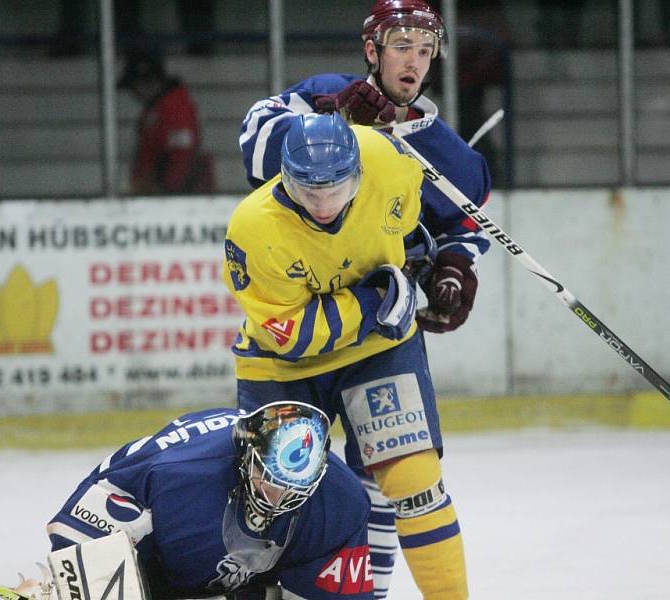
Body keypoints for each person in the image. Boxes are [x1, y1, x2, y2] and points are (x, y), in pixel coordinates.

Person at [235, 2, 491, 595]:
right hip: (303, 326)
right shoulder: (322, 95)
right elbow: (252, 146)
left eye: (426, 51)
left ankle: (370, 590)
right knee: (277, 494)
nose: (415, 61)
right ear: (373, 50)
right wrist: (334, 119)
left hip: (380, 332)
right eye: (402, 46)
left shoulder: (443, 149)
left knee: (403, 477)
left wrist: (452, 271)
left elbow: (461, 228)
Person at [40, 401, 374, 600]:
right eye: (265, 477)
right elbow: (79, 541)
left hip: (242, 583)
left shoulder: (342, 503)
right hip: (146, 558)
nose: (275, 497)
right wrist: (68, 585)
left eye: (290, 489)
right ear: (245, 455)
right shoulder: (175, 474)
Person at [118, 49, 215, 196]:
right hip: (166, 196)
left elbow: (182, 155)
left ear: (148, 81)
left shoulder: (174, 107)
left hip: (178, 199)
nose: (134, 93)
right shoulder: (157, 109)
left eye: (134, 86)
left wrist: (163, 190)